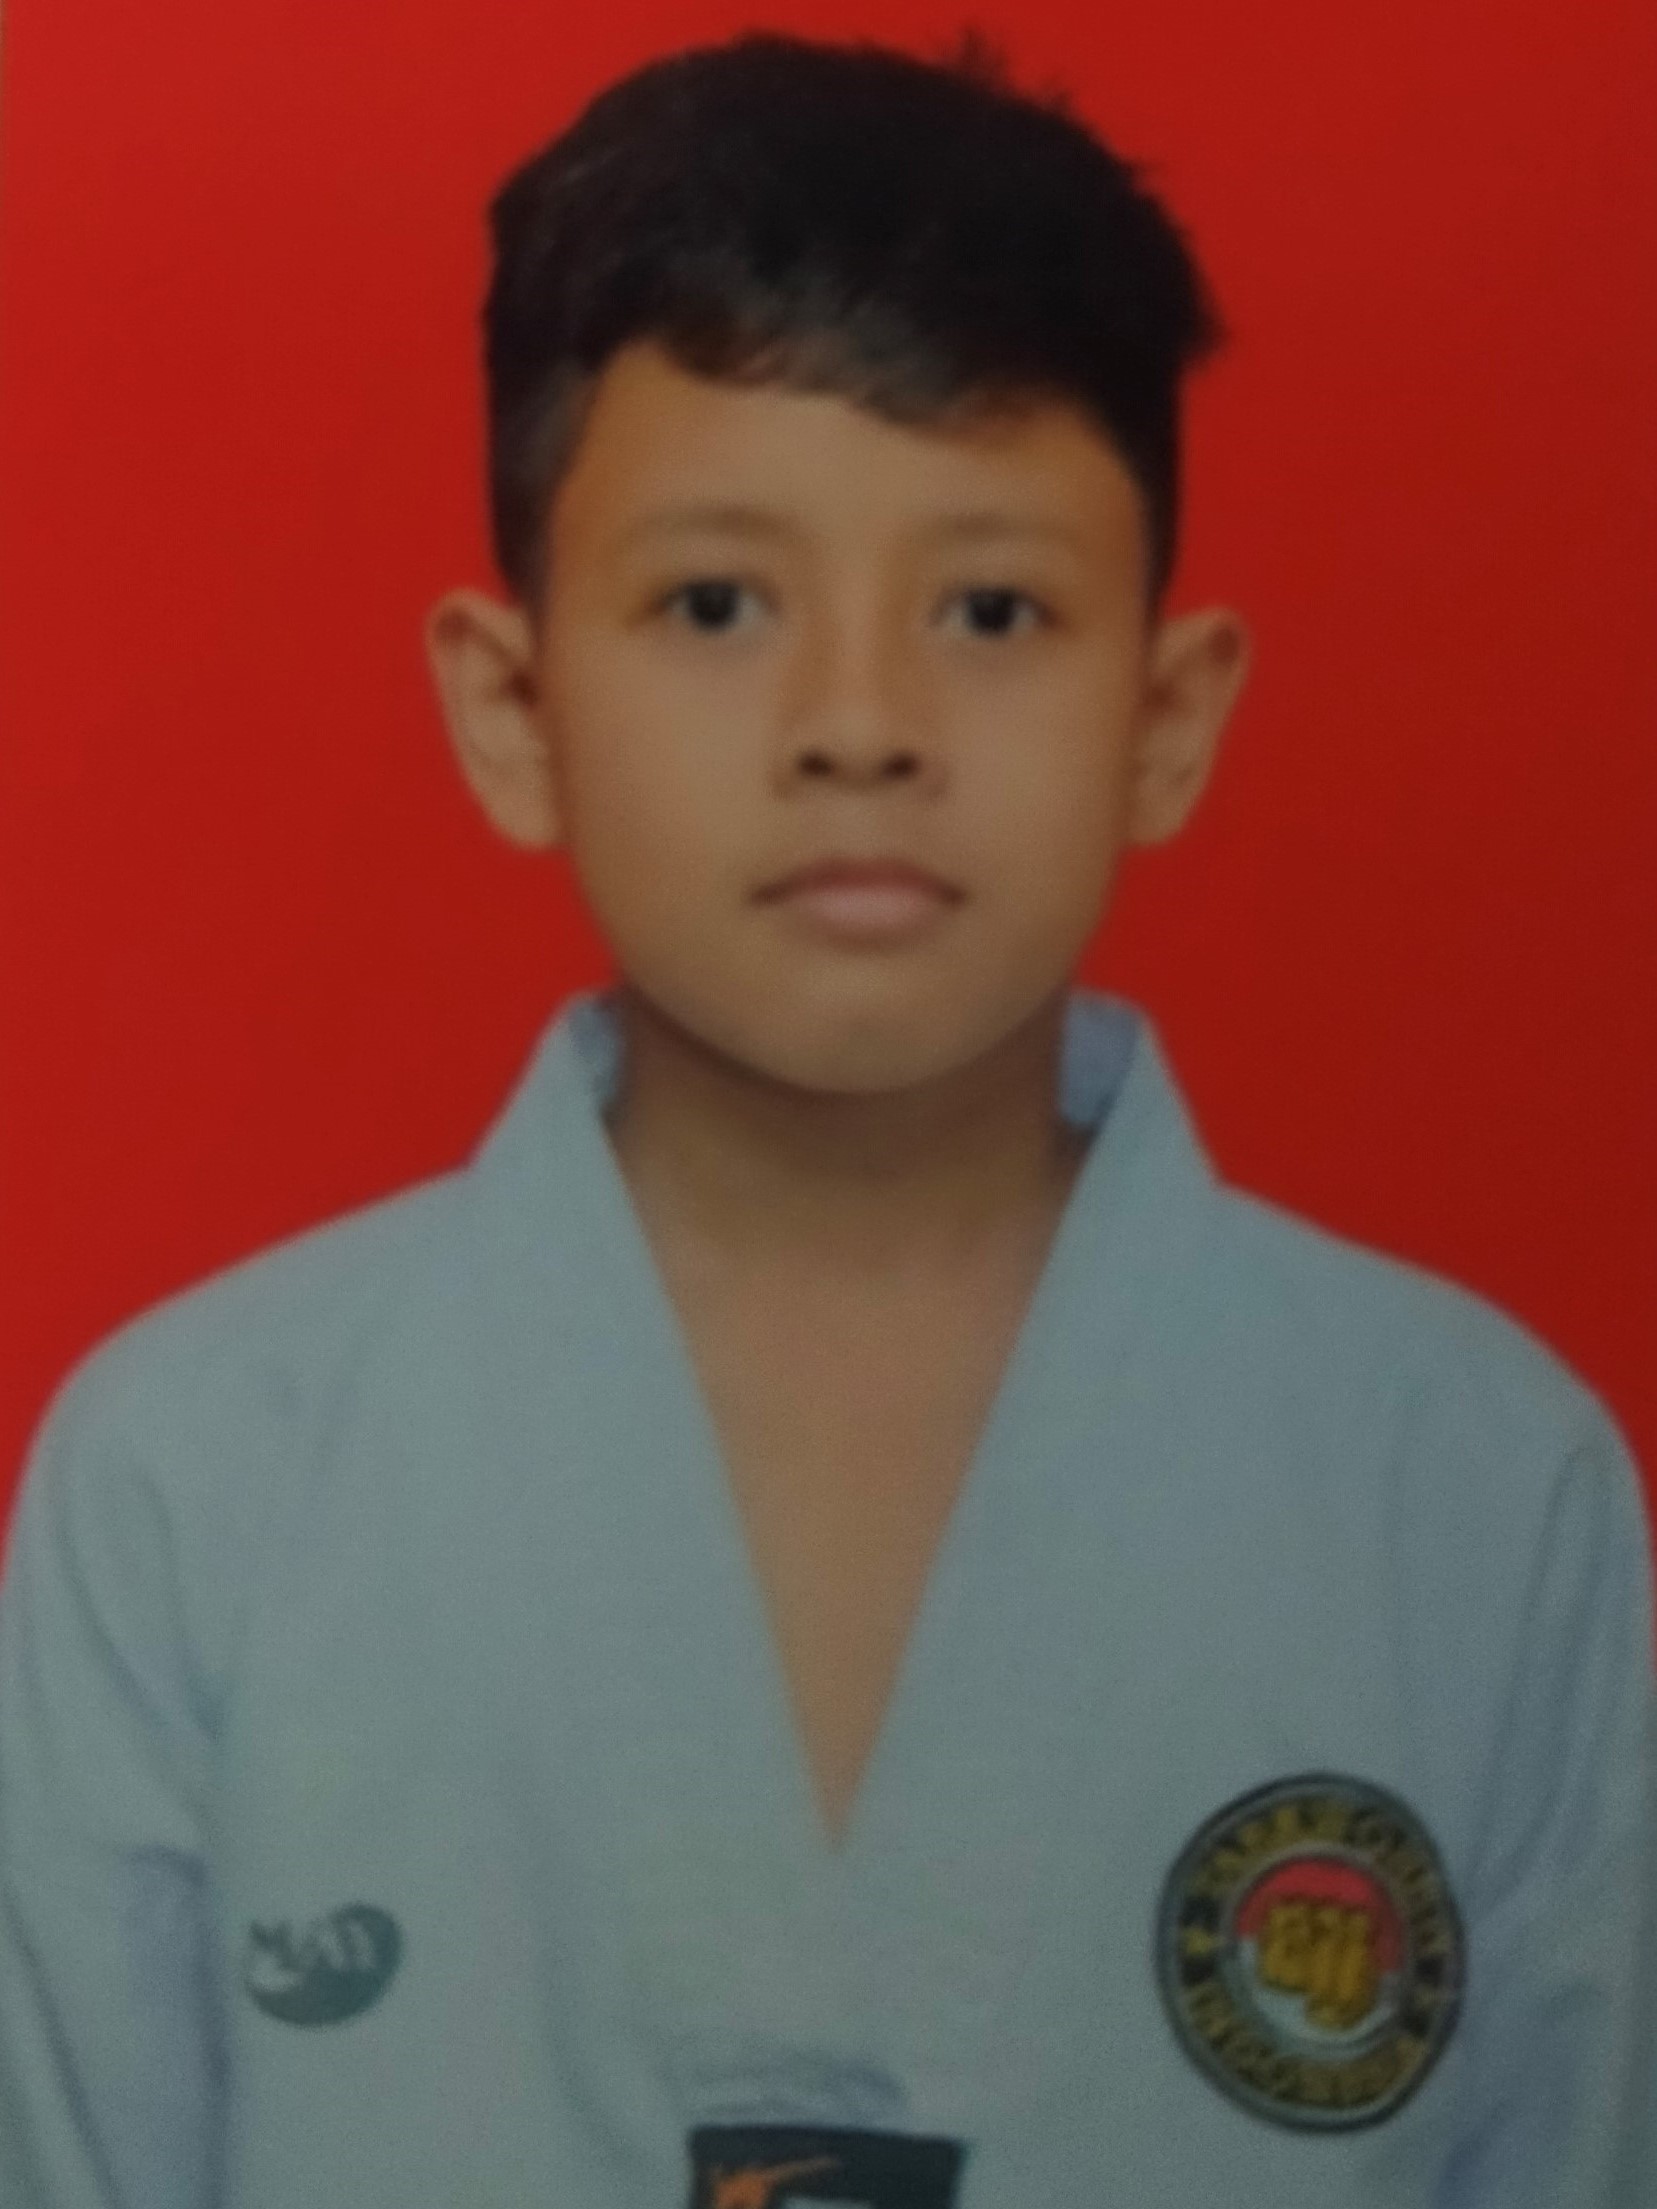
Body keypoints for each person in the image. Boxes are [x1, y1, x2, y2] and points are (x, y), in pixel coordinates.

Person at [0, 27, 1651, 2209]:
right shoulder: (189, 1485)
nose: (859, 723)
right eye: (715, 604)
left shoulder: (1479, 1491)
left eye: (990, 608)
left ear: (1165, 715)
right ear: (513, 709)